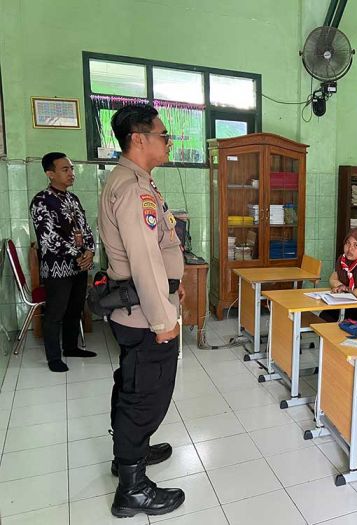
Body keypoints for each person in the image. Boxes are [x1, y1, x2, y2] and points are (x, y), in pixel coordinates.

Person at [99, 104, 185, 518]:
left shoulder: (136, 181)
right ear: (138, 138)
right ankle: (132, 489)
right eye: (163, 134)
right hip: (145, 313)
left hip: (136, 309)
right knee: (145, 395)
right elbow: (145, 259)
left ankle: (129, 454)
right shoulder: (134, 188)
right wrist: (163, 320)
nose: (168, 141)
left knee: (133, 385)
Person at [30, 152, 97, 372]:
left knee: (75, 308)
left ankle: (71, 347)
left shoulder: (72, 199)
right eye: (65, 169)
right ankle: (53, 357)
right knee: (55, 313)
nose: (71, 173)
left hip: (79, 266)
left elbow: (85, 229)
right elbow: (48, 238)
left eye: (72, 169)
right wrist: (75, 254)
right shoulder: (41, 201)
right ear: (50, 174)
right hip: (57, 269)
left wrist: (90, 250)